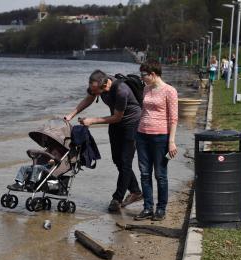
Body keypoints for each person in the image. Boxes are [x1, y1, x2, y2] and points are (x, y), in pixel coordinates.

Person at [64, 70, 143, 213]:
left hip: (131, 124)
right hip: (116, 123)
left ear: (106, 83)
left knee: (125, 161)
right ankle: (136, 191)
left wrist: (93, 120)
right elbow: (89, 98)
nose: (97, 94)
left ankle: (117, 199)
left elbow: (118, 117)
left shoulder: (121, 91)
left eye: (99, 91)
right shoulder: (97, 86)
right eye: (94, 91)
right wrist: (71, 115)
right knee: (117, 160)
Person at [134, 59, 178, 221]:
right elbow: (144, 111)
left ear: (153, 74)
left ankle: (161, 209)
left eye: (143, 75)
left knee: (160, 174)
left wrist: (171, 141)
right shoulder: (146, 89)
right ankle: (147, 208)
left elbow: (173, 118)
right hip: (142, 135)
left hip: (161, 138)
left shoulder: (170, 91)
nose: (142, 78)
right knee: (145, 174)